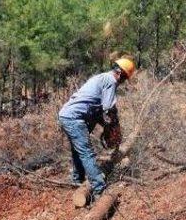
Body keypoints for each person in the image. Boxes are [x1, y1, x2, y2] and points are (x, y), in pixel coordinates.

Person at [58, 58, 136, 200]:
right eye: (124, 78)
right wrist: (113, 126)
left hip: (68, 114)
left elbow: (98, 108)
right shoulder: (111, 81)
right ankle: (99, 189)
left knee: (78, 149)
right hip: (74, 117)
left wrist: (109, 127)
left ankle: (78, 180)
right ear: (119, 73)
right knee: (86, 152)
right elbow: (108, 109)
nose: (122, 82)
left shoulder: (102, 77)